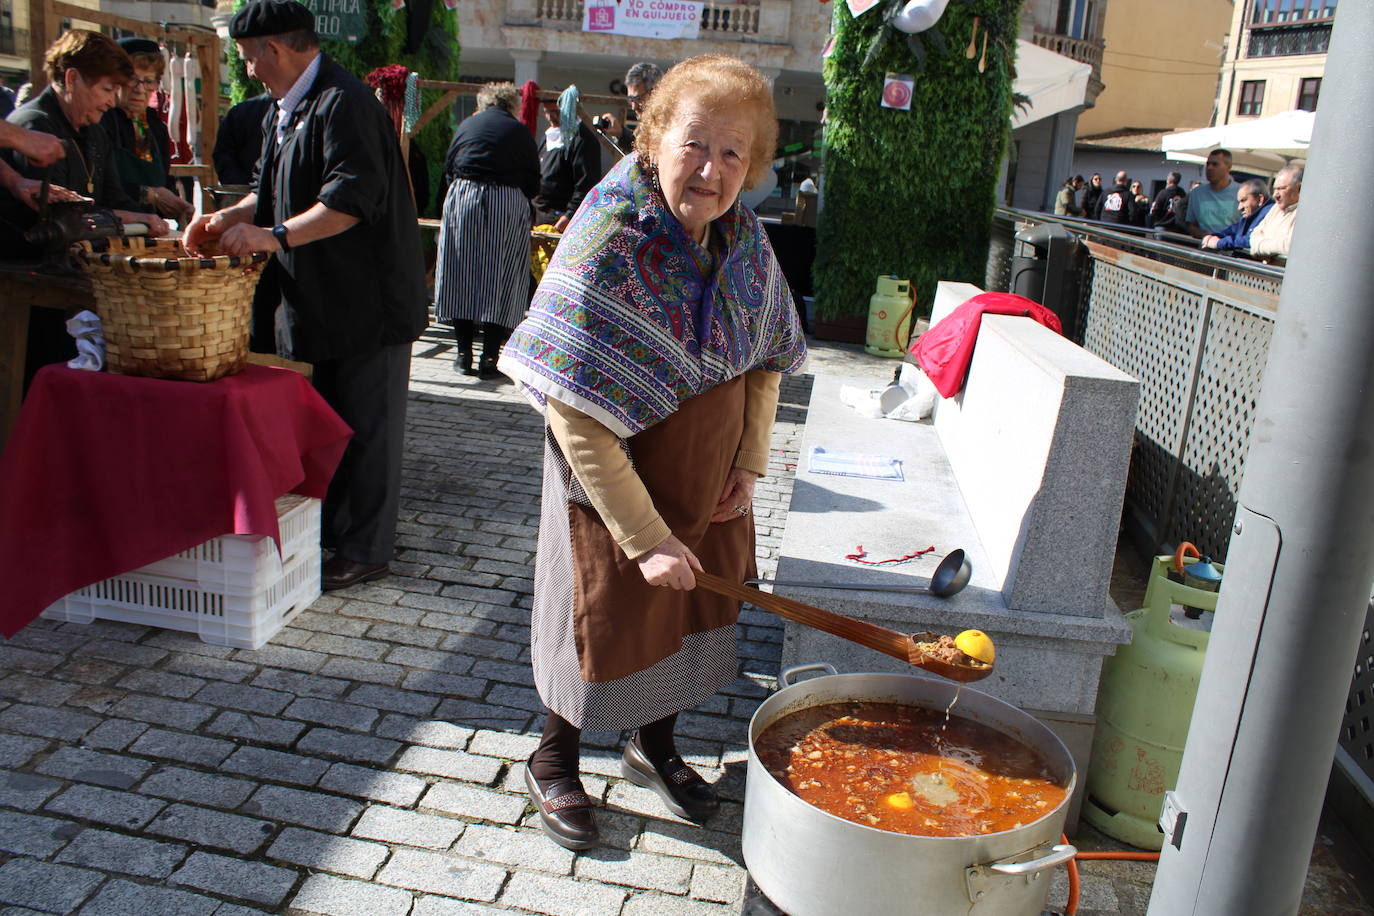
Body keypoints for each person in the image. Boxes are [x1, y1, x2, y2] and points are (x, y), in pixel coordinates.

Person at [499, 54, 807, 851]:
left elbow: (768, 355)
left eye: (733, 153)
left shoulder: (743, 241)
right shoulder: (607, 233)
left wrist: (748, 462)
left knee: (690, 610)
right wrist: (644, 537)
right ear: (654, 135)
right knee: (598, 614)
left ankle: (654, 742)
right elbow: (575, 413)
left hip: (707, 471)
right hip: (611, 479)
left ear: (754, 166)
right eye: (694, 144)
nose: (711, 169)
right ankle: (554, 755)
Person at [184, 0, 427, 591]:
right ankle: (333, 532)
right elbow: (268, 195)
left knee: (367, 429)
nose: (247, 72)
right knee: (328, 427)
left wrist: (271, 236)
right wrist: (223, 220)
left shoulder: (345, 102)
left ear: (276, 49)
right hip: (318, 302)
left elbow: (349, 201)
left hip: (369, 302)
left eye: (248, 59)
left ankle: (367, 548)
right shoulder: (282, 109)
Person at [3, 30, 169, 245]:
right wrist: (137, 218)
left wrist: (152, 221)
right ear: (72, 79)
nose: (111, 102)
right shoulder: (35, 125)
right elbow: (60, 217)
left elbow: (114, 198)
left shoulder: (94, 130)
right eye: (107, 89)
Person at [433, 81, 539, 379]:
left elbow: (449, 168)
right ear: (512, 105)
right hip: (506, 199)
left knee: (460, 272)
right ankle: (490, 357)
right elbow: (533, 180)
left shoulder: (469, 124)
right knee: (503, 276)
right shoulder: (519, 130)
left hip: (463, 197)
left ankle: (463, 354)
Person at [102, 37, 195, 225]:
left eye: (148, 81)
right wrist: (150, 195)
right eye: (132, 80)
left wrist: (177, 206)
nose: (140, 89)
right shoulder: (103, 120)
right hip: (113, 228)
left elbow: (166, 183)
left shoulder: (155, 126)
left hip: (152, 231)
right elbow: (102, 184)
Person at [534, 92, 599, 232]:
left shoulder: (582, 140)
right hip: (541, 218)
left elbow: (586, 182)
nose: (550, 117)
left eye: (555, 112)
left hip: (563, 221)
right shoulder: (548, 138)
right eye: (546, 112)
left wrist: (570, 214)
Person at [213, 91, 273, 185]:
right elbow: (224, 155)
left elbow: (223, 155)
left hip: (247, 189)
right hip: (250, 190)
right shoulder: (241, 112)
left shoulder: (241, 111)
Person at [1247, 165, 1301, 261]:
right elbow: (1254, 234)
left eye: (1282, 188)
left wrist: (1260, 248)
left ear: (1299, 188)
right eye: (1275, 189)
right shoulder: (1275, 209)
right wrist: (1270, 247)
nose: (1275, 195)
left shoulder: (1306, 213)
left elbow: (1291, 246)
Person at [1201, 178, 1272, 251]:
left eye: (1243, 200)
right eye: (1239, 202)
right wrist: (1212, 237)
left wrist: (1219, 243)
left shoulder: (1270, 214)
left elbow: (1251, 240)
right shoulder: (1251, 215)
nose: (1239, 207)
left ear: (1260, 199)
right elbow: (1234, 229)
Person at [1186, 148, 1237, 237]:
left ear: (1229, 166)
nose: (1209, 168)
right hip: (1204, 248)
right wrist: (1206, 236)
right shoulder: (1197, 193)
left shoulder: (1241, 192)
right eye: (1208, 164)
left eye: (1215, 164)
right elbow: (1191, 226)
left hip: (1232, 248)